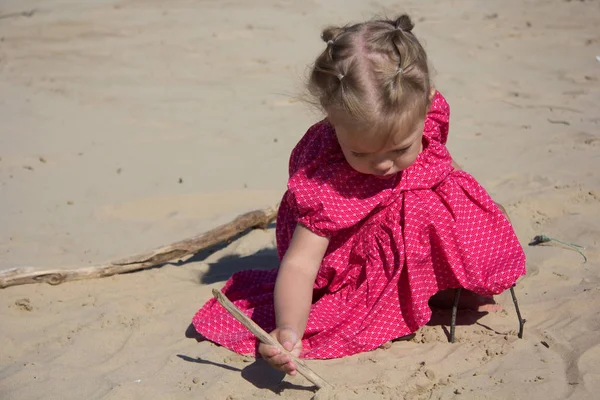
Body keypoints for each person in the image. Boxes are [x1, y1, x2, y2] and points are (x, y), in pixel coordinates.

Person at [191, 14, 526, 376]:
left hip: (408, 230)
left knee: (433, 203)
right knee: (415, 208)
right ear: (332, 120)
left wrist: (478, 212)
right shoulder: (330, 178)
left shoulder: (422, 112)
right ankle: (410, 296)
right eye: (362, 154)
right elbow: (301, 264)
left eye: (399, 150)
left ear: (427, 103)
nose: (383, 166)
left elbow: (446, 170)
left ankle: (446, 289)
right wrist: (288, 329)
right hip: (355, 262)